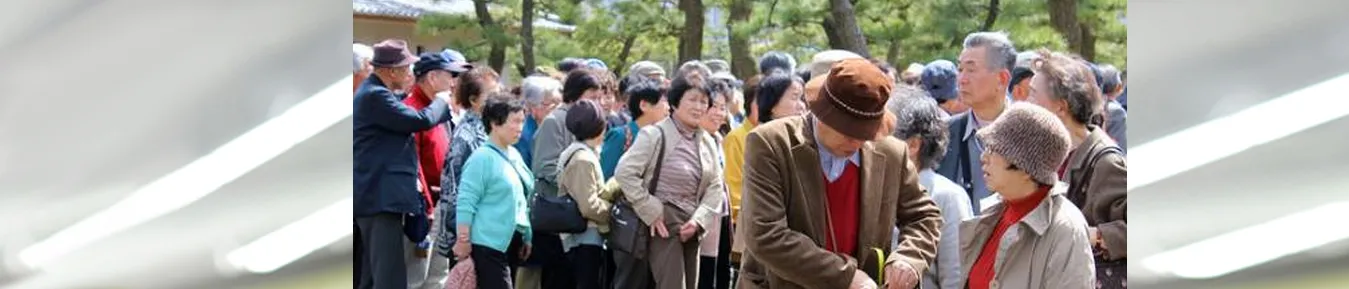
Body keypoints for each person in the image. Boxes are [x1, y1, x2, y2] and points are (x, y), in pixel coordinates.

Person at [736, 59, 943, 289]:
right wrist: (846, 276)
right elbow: (765, 234)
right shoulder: (771, 143)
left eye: (867, 133)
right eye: (849, 132)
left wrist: (909, 258)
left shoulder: (890, 152)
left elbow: (924, 216)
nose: (858, 142)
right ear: (822, 114)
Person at [960, 102, 1095, 289]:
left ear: (1025, 168)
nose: (984, 157)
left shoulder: (1066, 230)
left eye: (994, 150)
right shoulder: (995, 213)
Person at [355, 39, 454, 289]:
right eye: (405, 67)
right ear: (391, 71)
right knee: (388, 277)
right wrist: (441, 101)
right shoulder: (375, 95)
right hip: (379, 198)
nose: (410, 73)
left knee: (373, 276)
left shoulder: (376, 93)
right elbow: (419, 120)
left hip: (378, 197)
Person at [1025, 50, 1127, 289]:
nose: (1026, 102)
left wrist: (1093, 235)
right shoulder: (1046, 151)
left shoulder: (1106, 162)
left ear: (1061, 107)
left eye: (1033, 94)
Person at [613, 76, 726, 289]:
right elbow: (624, 173)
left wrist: (699, 220)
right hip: (663, 224)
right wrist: (652, 209)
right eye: (692, 99)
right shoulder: (654, 134)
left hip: (692, 223)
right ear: (675, 103)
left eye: (703, 102)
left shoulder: (707, 141)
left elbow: (716, 185)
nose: (698, 107)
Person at [529, 67, 617, 289]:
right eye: (592, 97)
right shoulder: (555, 121)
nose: (598, 102)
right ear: (576, 94)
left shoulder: (589, 120)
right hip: (558, 215)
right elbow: (543, 166)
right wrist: (577, 183)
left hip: (579, 219)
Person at [886, 89, 973, 289]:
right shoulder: (877, 187)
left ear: (913, 145)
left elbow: (955, 277)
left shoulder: (947, 196)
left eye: (885, 136)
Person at [452, 97, 536, 289]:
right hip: (487, 245)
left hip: (512, 243)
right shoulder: (481, 158)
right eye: (515, 121)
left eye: (522, 121)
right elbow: (466, 202)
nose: (520, 128)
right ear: (494, 123)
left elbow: (522, 199)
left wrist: (527, 236)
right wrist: (463, 240)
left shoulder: (514, 154)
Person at [405, 53, 469, 289]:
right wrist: (426, 205)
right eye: (450, 75)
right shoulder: (413, 111)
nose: (453, 82)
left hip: (441, 203)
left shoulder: (436, 109)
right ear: (432, 77)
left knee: (437, 277)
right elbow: (413, 164)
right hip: (424, 206)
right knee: (416, 276)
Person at [939, 31, 1018, 214]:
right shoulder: (944, 134)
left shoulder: (1031, 133)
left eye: (971, 70)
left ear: (1002, 79)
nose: (961, 80)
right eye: (960, 69)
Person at [557, 99, 622, 289]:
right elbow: (588, 206)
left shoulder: (576, 152)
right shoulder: (583, 159)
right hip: (585, 238)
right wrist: (613, 212)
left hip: (581, 237)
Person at [695, 85, 732, 289]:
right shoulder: (693, 139)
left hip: (721, 215)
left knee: (720, 272)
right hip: (702, 217)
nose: (718, 113)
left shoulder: (718, 139)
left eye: (723, 107)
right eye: (713, 106)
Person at [601, 78, 670, 179]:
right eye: (664, 101)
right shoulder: (621, 136)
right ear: (643, 105)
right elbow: (605, 176)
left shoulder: (660, 138)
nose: (668, 108)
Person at [518, 76, 564, 166]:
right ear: (532, 107)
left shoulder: (559, 127)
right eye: (553, 103)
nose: (558, 108)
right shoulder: (522, 135)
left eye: (559, 102)